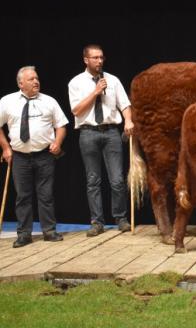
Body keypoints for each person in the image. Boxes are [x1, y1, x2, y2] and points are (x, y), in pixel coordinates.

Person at [68, 44, 134, 237]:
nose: (99, 61)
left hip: (111, 132)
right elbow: (76, 110)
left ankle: (120, 218)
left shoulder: (113, 80)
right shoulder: (76, 82)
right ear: (86, 60)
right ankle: (97, 222)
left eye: (101, 58)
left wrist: (128, 120)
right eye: (95, 58)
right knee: (93, 180)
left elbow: (125, 105)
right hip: (88, 133)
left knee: (117, 180)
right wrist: (96, 92)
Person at [0, 66, 68, 248]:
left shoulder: (49, 101)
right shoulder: (7, 101)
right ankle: (24, 234)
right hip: (20, 157)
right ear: (21, 83)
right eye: (31, 79)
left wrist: (58, 143)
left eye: (37, 78)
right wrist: (6, 148)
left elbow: (61, 125)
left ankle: (49, 231)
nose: (36, 81)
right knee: (23, 196)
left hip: (44, 156)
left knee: (46, 195)